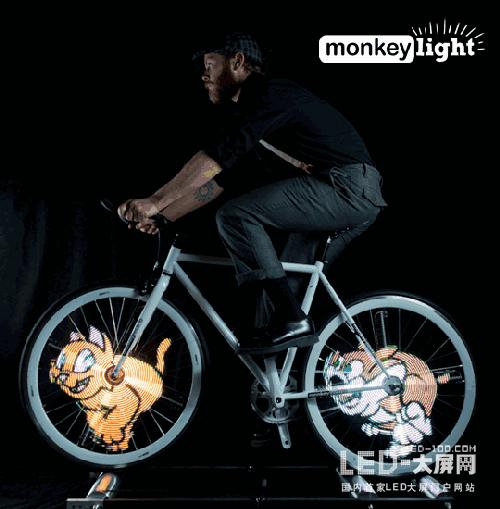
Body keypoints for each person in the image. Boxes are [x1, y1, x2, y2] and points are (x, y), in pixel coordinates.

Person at [118, 32, 387, 354]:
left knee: (237, 216)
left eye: (210, 65)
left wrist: (154, 201)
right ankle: (283, 375)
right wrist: (164, 216)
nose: (204, 75)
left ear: (237, 62)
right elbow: (220, 180)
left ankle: (295, 322)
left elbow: (218, 157)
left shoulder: (271, 94)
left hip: (346, 188)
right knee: (272, 311)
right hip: (338, 192)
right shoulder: (255, 116)